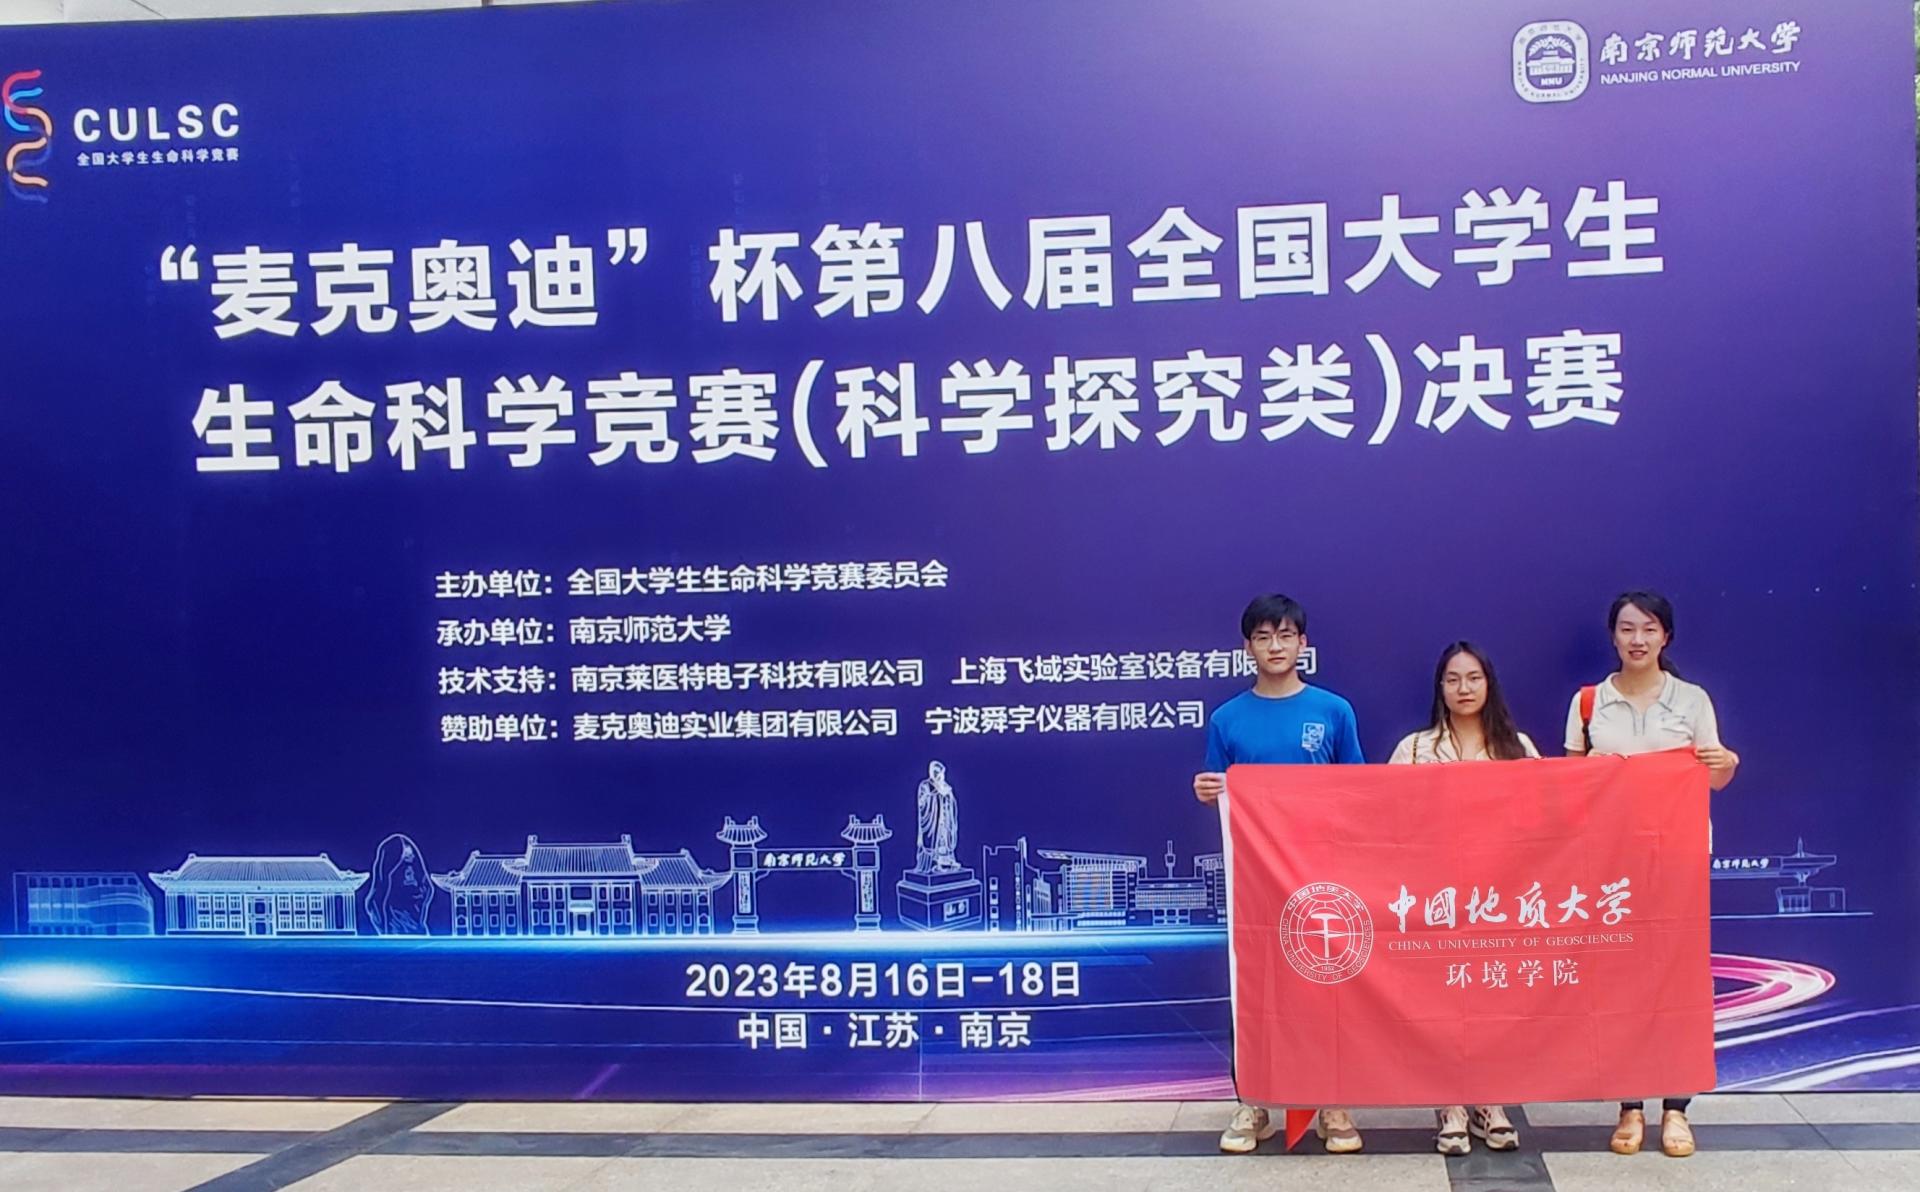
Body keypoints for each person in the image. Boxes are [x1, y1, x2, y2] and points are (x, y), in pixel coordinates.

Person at [1564, 590, 1739, 1160]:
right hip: (1612, 862)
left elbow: (1712, 778)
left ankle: (1677, 1107)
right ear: (1612, 636)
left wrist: (1727, 765)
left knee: (1678, 981)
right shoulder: (1589, 704)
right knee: (1620, 979)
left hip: (1677, 859)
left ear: (1666, 636)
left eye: (1648, 629)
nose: (1637, 639)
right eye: (1626, 628)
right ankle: (1630, 1105)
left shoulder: (1691, 700)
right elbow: (1569, 788)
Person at [1193, 592, 1365, 1155]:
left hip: (1321, 874)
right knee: (1255, 989)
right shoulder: (1227, 719)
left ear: (1302, 644)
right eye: (1263, 637)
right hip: (1255, 878)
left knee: (1327, 986)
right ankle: (1254, 1101)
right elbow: (1222, 793)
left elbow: (1356, 791)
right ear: (1247, 647)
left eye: (1285, 635)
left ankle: (1333, 1101)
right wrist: (1209, 790)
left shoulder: (1334, 711)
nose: (1275, 646)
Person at [1388, 642, 1536, 1155]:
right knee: (1440, 1003)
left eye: (1473, 678)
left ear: (1489, 683)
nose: (1464, 688)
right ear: (1440, 688)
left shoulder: (1518, 748)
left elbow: (1547, 818)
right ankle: (1449, 1103)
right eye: (1452, 679)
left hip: (1500, 897)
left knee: (1493, 1001)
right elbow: (1382, 816)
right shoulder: (1414, 749)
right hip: (1434, 898)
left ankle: (1490, 1101)